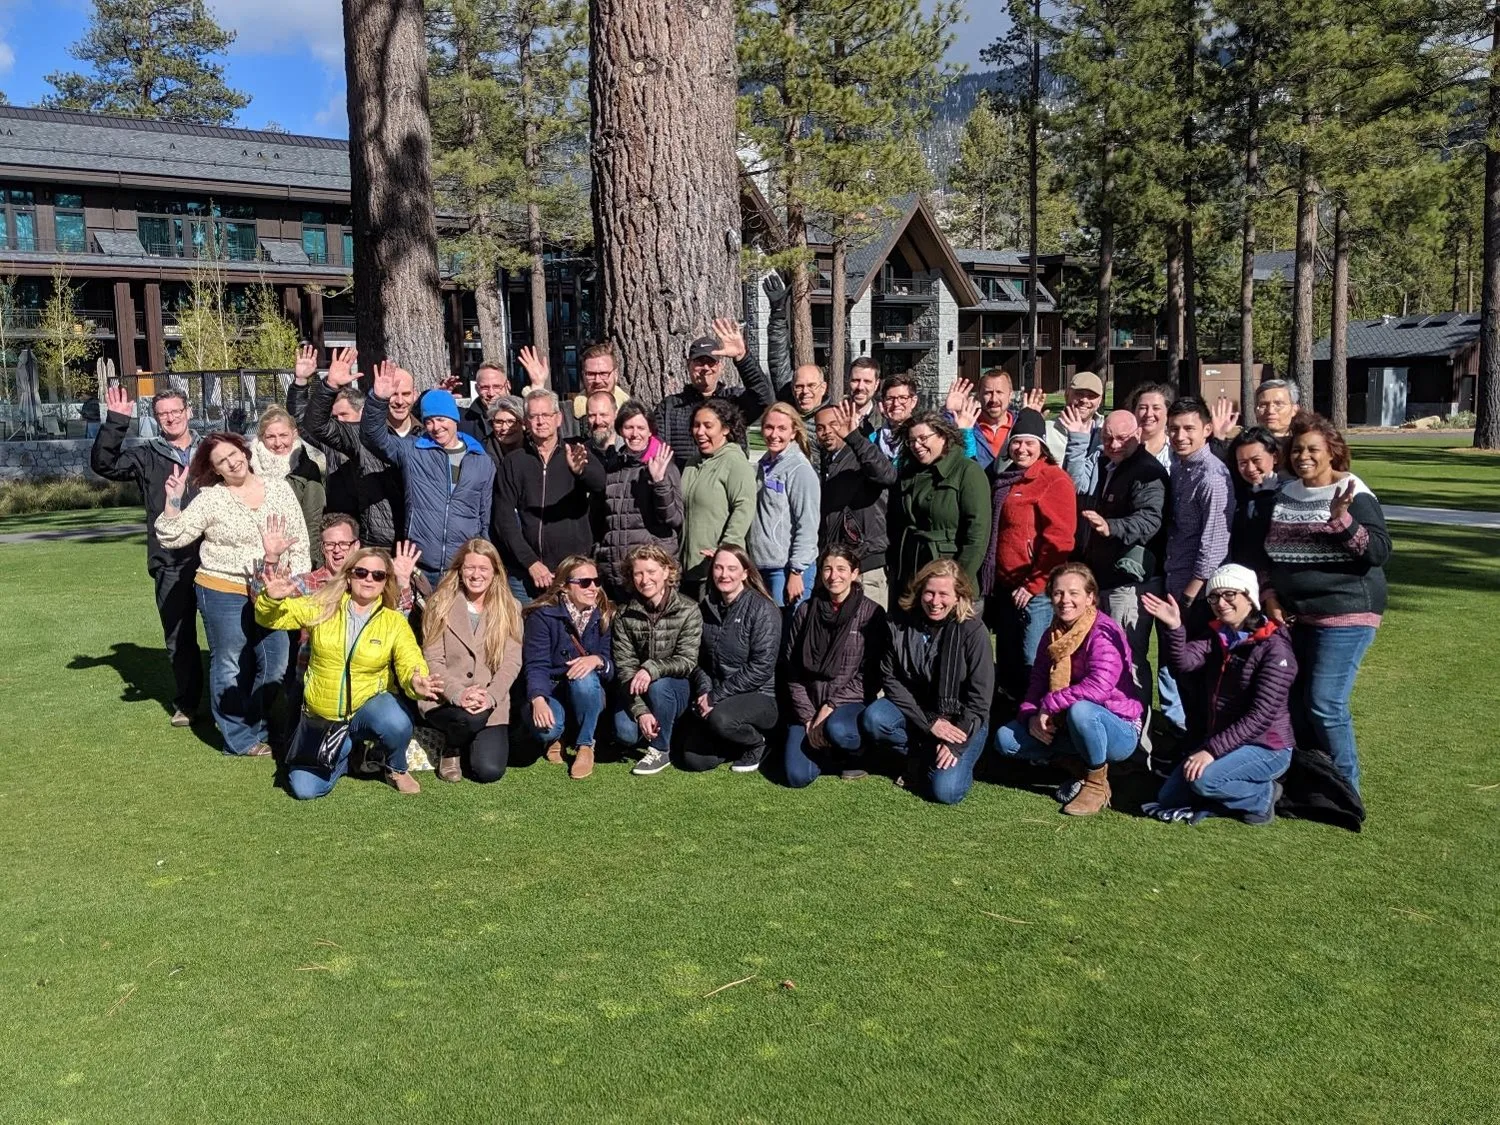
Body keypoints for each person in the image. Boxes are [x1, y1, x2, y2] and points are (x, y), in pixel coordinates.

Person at [155, 432, 311, 756]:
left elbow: (299, 539)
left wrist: (296, 583)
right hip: (222, 589)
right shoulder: (213, 498)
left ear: (244, 450)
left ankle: (256, 724)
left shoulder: (279, 489)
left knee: (276, 662)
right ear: (217, 471)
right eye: (221, 462)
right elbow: (173, 535)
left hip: (272, 591)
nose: (232, 462)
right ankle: (238, 739)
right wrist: (174, 499)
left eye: (233, 454)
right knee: (229, 662)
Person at [1262, 414, 1390, 794]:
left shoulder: (1354, 491)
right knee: (1296, 701)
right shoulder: (1287, 494)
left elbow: (1378, 552)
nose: (1303, 456)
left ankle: (1346, 789)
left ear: (1332, 452)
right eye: (1297, 449)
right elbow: (1272, 555)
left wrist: (1342, 520)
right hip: (1296, 616)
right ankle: (1313, 781)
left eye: (1313, 449)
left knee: (1324, 703)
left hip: (1346, 613)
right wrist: (1270, 595)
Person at [255, 548, 441, 798]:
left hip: (367, 708)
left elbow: (411, 660)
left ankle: (396, 767)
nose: (369, 579)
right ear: (349, 576)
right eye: (361, 572)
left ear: (386, 581)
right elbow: (271, 619)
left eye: (378, 575)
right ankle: (351, 756)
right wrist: (272, 599)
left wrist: (416, 681)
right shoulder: (322, 606)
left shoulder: (393, 621)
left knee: (396, 721)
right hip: (325, 715)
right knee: (304, 789)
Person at [1142, 564, 1296, 825]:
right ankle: (1226, 788)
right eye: (1214, 596)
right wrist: (1175, 627)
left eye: (1229, 595)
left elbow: (1260, 717)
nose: (1220, 603)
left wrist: (1210, 751)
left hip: (1268, 746)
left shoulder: (1275, 650)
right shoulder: (1219, 636)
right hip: (1226, 741)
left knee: (1203, 780)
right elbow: (1184, 663)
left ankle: (1263, 796)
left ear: (1249, 596)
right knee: (1170, 798)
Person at [90, 384, 203, 727]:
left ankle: (236, 706)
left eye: (175, 411)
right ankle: (189, 702)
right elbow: (104, 464)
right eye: (162, 414)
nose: (170, 418)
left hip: (215, 557)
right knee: (179, 638)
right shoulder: (147, 455)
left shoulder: (212, 450)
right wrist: (116, 422)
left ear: (189, 412)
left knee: (229, 637)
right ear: (156, 419)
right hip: (169, 561)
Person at [993, 563, 1145, 816]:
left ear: (1090, 597)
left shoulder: (1104, 632)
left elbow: (1098, 687)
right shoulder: (1051, 634)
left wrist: (1049, 705)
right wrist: (1030, 716)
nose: (1065, 600)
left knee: (1082, 711)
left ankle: (1096, 785)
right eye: (1058, 593)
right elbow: (1038, 682)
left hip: (1117, 726)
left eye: (1074, 593)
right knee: (1005, 739)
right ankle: (1081, 768)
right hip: (1067, 724)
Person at [859, 560, 995, 804]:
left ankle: (964, 758)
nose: (935, 601)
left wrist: (955, 744)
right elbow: (889, 678)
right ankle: (923, 755)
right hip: (919, 710)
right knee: (875, 719)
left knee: (946, 792)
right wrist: (929, 722)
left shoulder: (973, 631)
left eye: (944, 594)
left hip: (963, 718)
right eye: (929, 592)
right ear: (920, 591)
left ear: (958, 596)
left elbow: (979, 700)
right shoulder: (900, 624)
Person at [361, 363, 495, 587]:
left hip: (461, 568)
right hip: (421, 565)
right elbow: (371, 436)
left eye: (441, 419)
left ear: (454, 419)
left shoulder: (481, 461)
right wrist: (378, 399)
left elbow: (484, 516)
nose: (435, 427)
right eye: (429, 421)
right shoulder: (412, 450)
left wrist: (482, 561)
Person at [980, 408, 1079, 700]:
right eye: (1017, 442)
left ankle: (1039, 721)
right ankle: (1011, 719)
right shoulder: (1005, 477)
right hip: (1006, 587)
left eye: (1030, 443)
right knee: (1008, 659)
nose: (1022, 449)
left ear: (1042, 446)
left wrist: (1034, 583)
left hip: (1035, 591)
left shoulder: (1053, 479)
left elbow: (1059, 540)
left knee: (1032, 659)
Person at [1074, 410, 1169, 693]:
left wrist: (1111, 527)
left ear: (1138, 436)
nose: (1114, 444)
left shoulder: (1147, 471)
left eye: (1122, 439)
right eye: (1107, 438)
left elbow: (1151, 519)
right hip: (1103, 577)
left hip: (1130, 586)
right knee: (1103, 655)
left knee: (1129, 658)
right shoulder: (1107, 464)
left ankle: (1138, 730)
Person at [418, 539, 524, 783]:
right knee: (468, 718)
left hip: (488, 701)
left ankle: (465, 740)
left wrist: (489, 696)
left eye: (483, 569)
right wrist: (458, 694)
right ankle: (452, 746)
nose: (476, 575)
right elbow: (432, 660)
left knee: (488, 771)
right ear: (460, 570)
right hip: (445, 699)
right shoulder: (439, 604)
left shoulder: (510, 608)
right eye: (470, 568)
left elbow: (511, 662)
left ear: (495, 572)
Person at [781, 547, 887, 787]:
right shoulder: (806, 610)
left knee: (839, 729)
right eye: (827, 569)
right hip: (808, 704)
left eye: (841, 569)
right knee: (797, 776)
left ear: (854, 573)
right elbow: (793, 669)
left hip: (849, 704)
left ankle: (856, 752)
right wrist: (809, 716)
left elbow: (870, 675)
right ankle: (825, 750)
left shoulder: (872, 613)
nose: (833, 576)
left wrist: (831, 706)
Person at [1161, 395, 1234, 736]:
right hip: (1175, 582)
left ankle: (1202, 742)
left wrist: (1190, 595)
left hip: (1197, 594)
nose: (1180, 435)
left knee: (1196, 674)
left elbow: (1214, 542)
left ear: (1206, 430)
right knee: (1178, 669)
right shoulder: (1179, 466)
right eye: (1174, 429)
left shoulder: (1211, 476)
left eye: (1189, 428)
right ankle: (1185, 737)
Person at [492, 389, 607, 601]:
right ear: (526, 422)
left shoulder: (576, 452)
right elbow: (504, 518)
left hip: (573, 571)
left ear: (558, 418)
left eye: (546, 415)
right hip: (527, 574)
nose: (540, 421)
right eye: (534, 416)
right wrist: (530, 562)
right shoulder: (514, 462)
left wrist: (582, 472)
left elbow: (600, 484)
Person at [676, 545, 781, 774]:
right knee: (694, 760)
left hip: (759, 696)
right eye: (719, 567)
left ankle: (758, 743)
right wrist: (705, 691)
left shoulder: (763, 608)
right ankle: (734, 742)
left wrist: (715, 697)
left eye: (732, 568)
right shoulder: (707, 606)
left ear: (745, 573)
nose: (724, 575)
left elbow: (761, 667)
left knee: (721, 719)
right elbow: (699, 660)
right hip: (717, 695)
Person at [299, 346, 409, 548]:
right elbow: (312, 425)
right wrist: (328, 386)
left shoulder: (427, 435)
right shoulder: (358, 436)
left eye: (405, 393)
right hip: (376, 542)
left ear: (415, 396)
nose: (399, 400)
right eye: (391, 394)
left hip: (417, 543)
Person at [611, 546, 703, 776]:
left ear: (666, 571)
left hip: (674, 687)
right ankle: (653, 723)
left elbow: (687, 660)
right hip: (636, 689)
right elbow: (624, 667)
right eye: (638, 573)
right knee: (625, 734)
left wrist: (651, 669)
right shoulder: (624, 615)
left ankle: (660, 749)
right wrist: (640, 711)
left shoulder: (689, 609)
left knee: (659, 685)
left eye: (651, 571)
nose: (645, 579)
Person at [522, 556, 614, 779]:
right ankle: (556, 738)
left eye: (596, 580)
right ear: (564, 586)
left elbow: (613, 665)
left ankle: (585, 745)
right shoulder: (542, 616)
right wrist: (538, 700)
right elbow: (536, 664)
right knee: (546, 729)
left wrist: (597, 660)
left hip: (587, 690)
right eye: (584, 582)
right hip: (551, 688)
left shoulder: (605, 614)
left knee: (584, 677)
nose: (593, 587)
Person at [889, 411, 993, 595]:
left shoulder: (968, 471)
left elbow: (977, 534)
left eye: (923, 438)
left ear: (943, 437)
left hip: (951, 573)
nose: (916, 446)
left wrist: (958, 583)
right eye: (911, 441)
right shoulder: (907, 473)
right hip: (912, 575)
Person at [655, 319, 775, 469]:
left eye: (711, 362)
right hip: (684, 486)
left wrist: (742, 357)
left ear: (720, 367)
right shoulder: (670, 407)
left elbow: (765, 399)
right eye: (699, 361)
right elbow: (659, 451)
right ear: (688, 365)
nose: (705, 368)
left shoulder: (734, 401)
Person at [812, 400, 897, 608]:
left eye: (833, 425)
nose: (827, 432)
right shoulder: (827, 461)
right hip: (837, 564)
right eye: (820, 428)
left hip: (866, 564)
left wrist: (855, 438)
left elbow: (887, 475)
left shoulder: (861, 455)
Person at [596, 401, 683, 598]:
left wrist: (659, 482)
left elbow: (675, 518)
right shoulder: (613, 468)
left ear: (650, 430)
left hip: (651, 575)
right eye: (628, 427)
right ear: (620, 430)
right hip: (618, 574)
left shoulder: (662, 464)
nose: (635, 434)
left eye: (641, 427)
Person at [679, 400, 756, 597]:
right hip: (687, 570)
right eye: (696, 425)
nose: (700, 432)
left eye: (708, 426)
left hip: (717, 570)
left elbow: (744, 507)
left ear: (725, 429)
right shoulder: (691, 463)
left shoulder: (734, 462)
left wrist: (725, 550)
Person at [748, 402, 820, 606]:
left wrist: (797, 570)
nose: (774, 434)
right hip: (761, 565)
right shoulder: (763, 465)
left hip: (786, 568)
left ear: (793, 432)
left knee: (787, 630)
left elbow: (807, 523)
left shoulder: (799, 469)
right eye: (769, 427)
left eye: (782, 428)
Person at [251, 404, 327, 566]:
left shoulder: (306, 469)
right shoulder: (249, 467)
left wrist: (313, 562)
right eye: (270, 437)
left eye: (283, 435)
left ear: (294, 434)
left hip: (294, 552)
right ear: (261, 437)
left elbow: (313, 521)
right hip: (254, 551)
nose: (278, 443)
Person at [518, 341, 632, 436]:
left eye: (603, 373)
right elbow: (535, 432)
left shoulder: (633, 413)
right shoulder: (566, 413)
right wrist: (537, 386)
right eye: (591, 374)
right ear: (583, 375)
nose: (597, 380)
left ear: (616, 374)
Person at [1228, 425, 1284, 574]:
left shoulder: (1288, 492)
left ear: (1275, 457)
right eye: (1243, 463)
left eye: (1256, 460)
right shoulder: (1238, 494)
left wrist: (1265, 497)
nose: (1250, 469)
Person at [1055, 371, 1107, 489]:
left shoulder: (1106, 433)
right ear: (1067, 394)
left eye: (1092, 396)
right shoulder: (1047, 429)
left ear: (1099, 401)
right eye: (1079, 394)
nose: (1084, 400)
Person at [968, 368, 1016, 472]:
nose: (994, 399)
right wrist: (948, 411)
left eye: (999, 392)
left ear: (1010, 395)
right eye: (988, 393)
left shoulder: (1020, 426)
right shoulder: (967, 425)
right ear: (978, 395)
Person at [871, 374, 920, 464]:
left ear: (913, 401)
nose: (896, 404)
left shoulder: (921, 438)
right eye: (890, 398)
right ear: (883, 403)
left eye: (902, 398)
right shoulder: (873, 440)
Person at [1128, 382, 1173, 469]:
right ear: (1134, 412)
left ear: (1167, 413)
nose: (1149, 414)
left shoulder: (1176, 452)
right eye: (1143, 408)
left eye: (1156, 408)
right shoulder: (1123, 449)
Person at [482, 395, 527, 470]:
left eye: (511, 422)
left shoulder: (536, 451)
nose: (504, 427)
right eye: (498, 422)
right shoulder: (483, 454)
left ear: (523, 423)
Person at [464, 361, 510, 428]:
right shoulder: (464, 421)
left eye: (497, 386)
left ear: (508, 386)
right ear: (476, 388)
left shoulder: (522, 417)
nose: (491, 393)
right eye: (485, 387)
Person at [848, 357, 884, 434]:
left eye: (867, 381)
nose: (860, 387)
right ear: (848, 381)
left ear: (876, 384)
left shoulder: (884, 421)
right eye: (855, 380)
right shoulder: (834, 416)